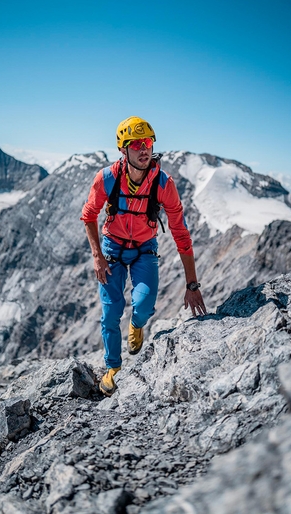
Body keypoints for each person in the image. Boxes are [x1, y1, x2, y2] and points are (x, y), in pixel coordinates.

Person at [81, 116, 206, 396]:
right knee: (111, 312)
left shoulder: (164, 184)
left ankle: (137, 325)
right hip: (112, 249)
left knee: (145, 304)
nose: (143, 149)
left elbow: (181, 234)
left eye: (147, 143)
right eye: (136, 144)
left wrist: (192, 285)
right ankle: (113, 367)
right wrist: (97, 256)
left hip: (144, 250)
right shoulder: (108, 178)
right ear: (122, 150)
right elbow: (89, 216)